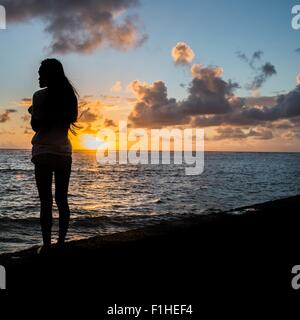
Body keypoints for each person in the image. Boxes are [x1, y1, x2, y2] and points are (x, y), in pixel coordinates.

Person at [29, 58, 78, 252]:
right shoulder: (69, 97)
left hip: (43, 152)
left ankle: (47, 246)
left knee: (46, 201)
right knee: (62, 199)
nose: (38, 76)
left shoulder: (39, 96)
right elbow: (65, 121)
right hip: (63, 153)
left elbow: (36, 126)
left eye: (41, 73)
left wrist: (33, 111)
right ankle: (61, 243)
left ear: (49, 75)